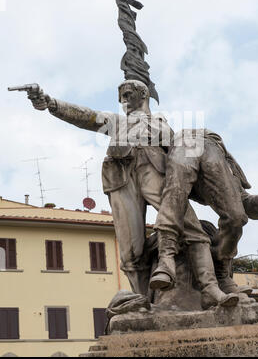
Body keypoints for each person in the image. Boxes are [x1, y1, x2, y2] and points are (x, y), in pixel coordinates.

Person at [26, 81, 238, 309]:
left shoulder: (162, 124)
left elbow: (186, 157)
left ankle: (210, 289)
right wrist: (51, 104)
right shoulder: (116, 122)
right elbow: (86, 116)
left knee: (193, 230)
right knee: (131, 252)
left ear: (143, 94)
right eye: (121, 97)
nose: (123, 100)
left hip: (158, 173)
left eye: (127, 94)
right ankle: (144, 302)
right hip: (121, 179)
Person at [150, 128, 258, 294]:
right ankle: (166, 258)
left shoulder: (224, 164)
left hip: (208, 144)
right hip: (185, 142)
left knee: (236, 218)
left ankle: (220, 271)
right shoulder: (177, 144)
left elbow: (242, 202)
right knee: (176, 191)